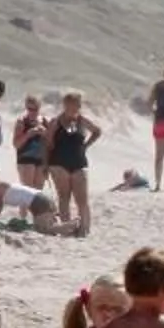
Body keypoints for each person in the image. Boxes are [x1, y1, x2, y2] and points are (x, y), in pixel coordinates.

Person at [45, 91, 104, 237]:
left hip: (79, 162)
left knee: (82, 198)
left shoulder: (82, 120)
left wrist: (86, 145)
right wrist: (45, 165)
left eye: (78, 105)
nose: (76, 108)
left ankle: (84, 229)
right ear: (65, 105)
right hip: (58, 162)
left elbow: (97, 131)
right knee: (64, 197)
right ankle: (67, 228)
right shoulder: (56, 121)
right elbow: (47, 143)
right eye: (73, 105)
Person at [13, 94, 51, 189]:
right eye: (30, 109)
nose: (33, 112)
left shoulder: (44, 120)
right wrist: (28, 134)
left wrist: (45, 134)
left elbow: (51, 143)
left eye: (36, 109)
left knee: (38, 193)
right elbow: (16, 144)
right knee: (28, 191)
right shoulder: (22, 121)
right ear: (26, 107)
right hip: (26, 157)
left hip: (41, 159)